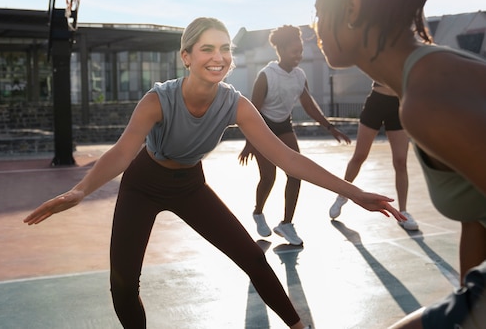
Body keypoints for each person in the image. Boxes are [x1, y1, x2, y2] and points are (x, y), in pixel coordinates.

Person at [24, 17, 405, 329]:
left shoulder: (235, 105)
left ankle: (299, 327)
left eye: (225, 48)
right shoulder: (158, 99)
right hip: (143, 185)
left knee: (254, 260)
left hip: (189, 186)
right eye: (207, 48)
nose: (218, 56)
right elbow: (124, 152)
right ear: (186, 57)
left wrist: (352, 191)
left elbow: (289, 159)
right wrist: (80, 190)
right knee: (122, 286)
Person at [314, 0, 486, 328]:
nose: (317, 27)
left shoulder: (429, 99)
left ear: (352, 6)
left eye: (320, 12)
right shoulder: (431, 76)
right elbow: (476, 217)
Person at [238, 25, 351, 245]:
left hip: (283, 125)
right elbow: (251, 113)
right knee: (268, 177)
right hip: (262, 126)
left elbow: (308, 105)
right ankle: (258, 212)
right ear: (280, 49)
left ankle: (286, 224)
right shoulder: (266, 76)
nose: (298, 55)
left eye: (300, 51)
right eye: (294, 51)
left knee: (295, 173)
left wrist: (330, 127)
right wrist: (249, 143)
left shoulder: (299, 76)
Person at [329, 81, 419, 231]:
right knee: (359, 156)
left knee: (400, 161)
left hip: (399, 103)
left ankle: (403, 212)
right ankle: (342, 196)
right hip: (377, 101)